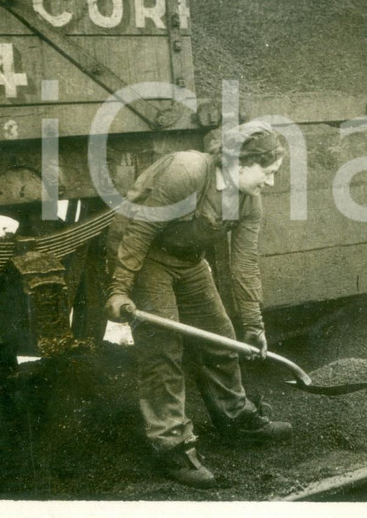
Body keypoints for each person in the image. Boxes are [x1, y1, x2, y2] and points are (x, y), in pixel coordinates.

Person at [104, 120, 292, 488]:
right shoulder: (187, 171)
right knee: (163, 350)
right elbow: (140, 231)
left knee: (220, 336)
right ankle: (171, 445)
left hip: (188, 261)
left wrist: (254, 327)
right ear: (241, 162)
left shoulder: (249, 202)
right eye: (267, 172)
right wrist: (120, 288)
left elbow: (245, 265)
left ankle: (235, 419)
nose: (270, 182)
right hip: (145, 256)